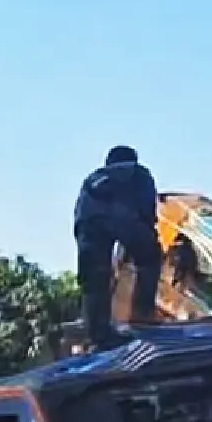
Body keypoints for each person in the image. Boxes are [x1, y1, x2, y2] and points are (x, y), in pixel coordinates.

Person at [73, 146, 162, 349]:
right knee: (150, 258)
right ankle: (142, 313)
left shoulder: (92, 178)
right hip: (121, 217)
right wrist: (142, 238)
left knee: (95, 279)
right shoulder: (138, 172)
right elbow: (147, 209)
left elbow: (81, 215)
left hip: (87, 223)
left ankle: (97, 333)